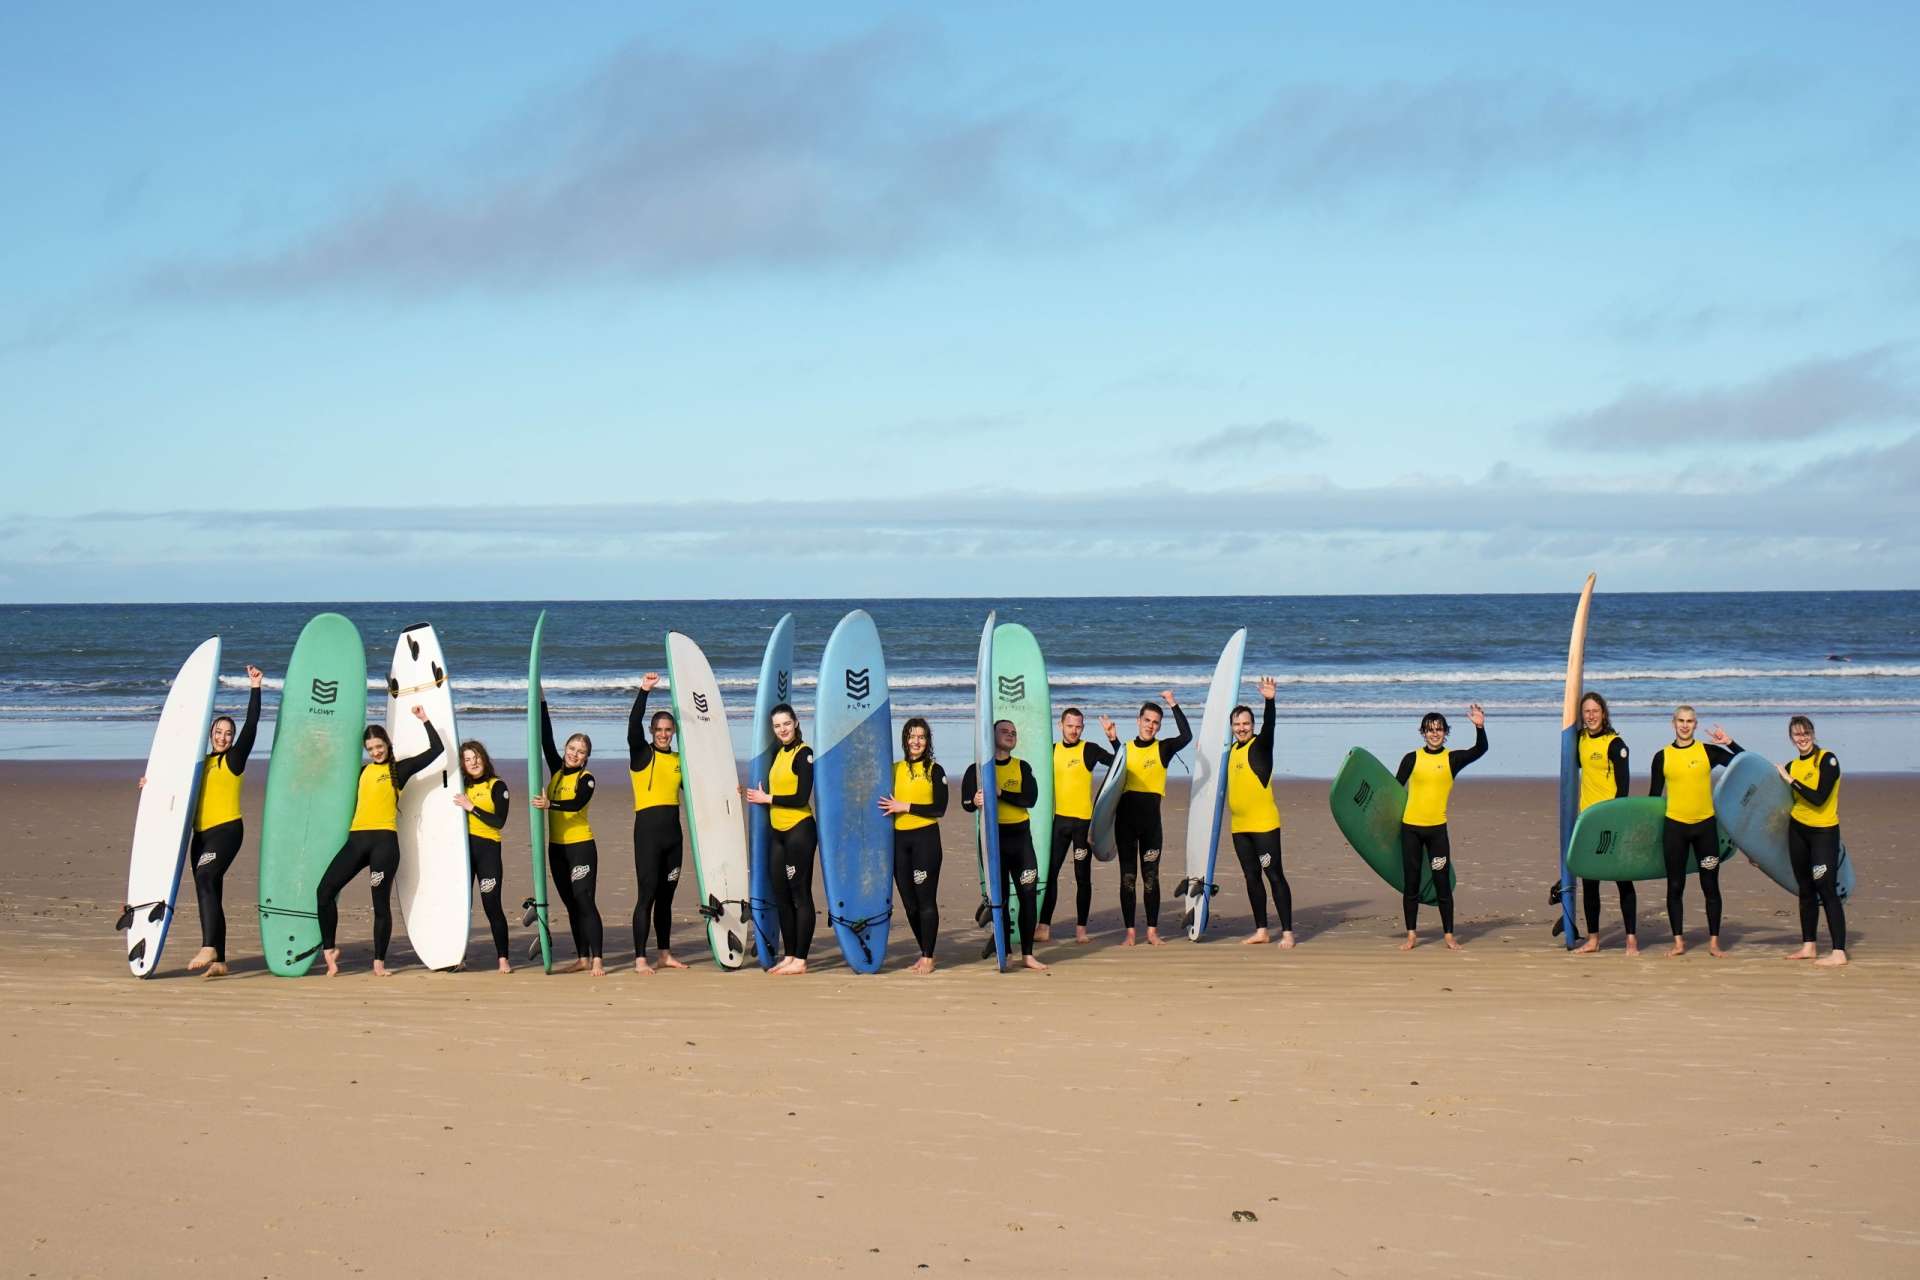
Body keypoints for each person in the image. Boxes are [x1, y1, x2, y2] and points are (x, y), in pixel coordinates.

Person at [146, 663, 264, 977]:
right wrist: (150, 784)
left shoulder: (234, 760)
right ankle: (220, 961)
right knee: (209, 889)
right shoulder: (199, 765)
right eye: (218, 732)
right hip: (200, 836)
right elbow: (174, 786)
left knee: (205, 877)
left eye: (228, 734)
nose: (223, 737)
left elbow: (252, 725)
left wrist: (255, 687)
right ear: (210, 734)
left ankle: (209, 945)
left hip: (227, 830)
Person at [315, 706, 443, 977]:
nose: (375, 752)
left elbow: (436, 750)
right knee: (324, 891)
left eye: (379, 746)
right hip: (356, 841)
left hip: (384, 845)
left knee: (380, 904)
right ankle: (330, 950)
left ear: (387, 744)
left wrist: (424, 719)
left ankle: (379, 962)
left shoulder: (399, 769)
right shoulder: (361, 772)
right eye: (370, 748)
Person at [1648, 706, 1741, 958]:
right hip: (1675, 828)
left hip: (1705, 829)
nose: (1685, 725)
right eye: (1681, 720)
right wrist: (1650, 835)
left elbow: (1745, 763)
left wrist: (1729, 743)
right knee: (1675, 886)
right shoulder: (1662, 757)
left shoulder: (1708, 752)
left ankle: (1714, 943)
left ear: (1696, 725)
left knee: (1710, 886)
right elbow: (1653, 798)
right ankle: (1678, 942)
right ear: (1673, 723)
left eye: (1689, 721)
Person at [1393, 705, 1488, 951]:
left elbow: (1480, 749)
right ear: (1423, 733)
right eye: (1430, 729)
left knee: (1442, 883)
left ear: (1445, 733)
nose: (1434, 733)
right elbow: (1393, 790)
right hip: (1411, 830)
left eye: (1439, 729)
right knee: (1411, 883)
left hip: (1437, 833)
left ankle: (1448, 935)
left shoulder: (1452, 759)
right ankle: (1411, 936)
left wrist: (1480, 727)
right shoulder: (1411, 758)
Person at [1104, 691, 1192, 946]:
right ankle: (1130, 933)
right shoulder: (1124, 749)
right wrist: (1113, 739)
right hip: (1125, 825)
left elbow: (1186, 736)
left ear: (1159, 726)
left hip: (1151, 826)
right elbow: (1115, 778)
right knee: (1128, 878)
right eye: (1147, 720)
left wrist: (1173, 703)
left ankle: (1152, 932)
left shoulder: (1163, 749)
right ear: (1138, 720)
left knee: (1151, 878)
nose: (1151, 726)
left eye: (1155, 722)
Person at [962, 719, 1047, 971]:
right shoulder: (977, 770)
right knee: (1000, 898)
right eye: (1004, 731)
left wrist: (1001, 793)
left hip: (1020, 840)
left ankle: (1028, 954)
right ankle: (1006, 952)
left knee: (1028, 896)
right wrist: (975, 800)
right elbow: (966, 804)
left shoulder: (1022, 766)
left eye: (1013, 732)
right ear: (992, 736)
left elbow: (1030, 799)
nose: (1010, 734)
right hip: (993, 839)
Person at [741, 703, 816, 975]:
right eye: (777, 726)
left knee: (800, 895)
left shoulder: (804, 753)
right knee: (781, 896)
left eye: (786, 723)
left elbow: (801, 797)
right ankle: (790, 954)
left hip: (799, 830)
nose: (782, 729)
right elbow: (768, 789)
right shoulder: (777, 754)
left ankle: (801, 960)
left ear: (796, 723)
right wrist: (751, 793)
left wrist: (767, 798)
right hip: (778, 833)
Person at [532, 701, 604, 976]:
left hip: (580, 847)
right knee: (571, 905)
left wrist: (550, 805)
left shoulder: (587, 779)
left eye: (580, 751)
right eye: (572, 748)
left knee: (584, 900)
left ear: (586, 758)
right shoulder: (557, 771)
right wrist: (541, 702)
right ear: (565, 749)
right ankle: (582, 958)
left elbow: (576, 804)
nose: (574, 754)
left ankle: (597, 959)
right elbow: (545, 739)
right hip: (557, 849)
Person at [1227, 676, 1293, 947]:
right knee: (1251, 877)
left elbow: (1270, 726)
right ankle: (1262, 931)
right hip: (1239, 827)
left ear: (1252, 725)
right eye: (1237, 724)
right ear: (1231, 727)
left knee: (1274, 875)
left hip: (1264, 825)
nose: (1241, 728)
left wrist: (1270, 701)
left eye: (1245, 724)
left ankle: (1287, 932)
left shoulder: (1261, 747)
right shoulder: (1232, 750)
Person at [878, 717, 949, 973]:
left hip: (925, 840)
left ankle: (928, 956)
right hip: (899, 842)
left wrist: (904, 806)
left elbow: (939, 808)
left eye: (921, 737)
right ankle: (924, 950)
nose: (916, 741)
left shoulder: (935, 770)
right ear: (905, 740)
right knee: (909, 904)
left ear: (927, 741)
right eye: (911, 736)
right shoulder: (893, 769)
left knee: (925, 900)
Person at [627, 674, 687, 975]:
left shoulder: (679, 760)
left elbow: (698, 792)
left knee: (667, 898)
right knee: (647, 895)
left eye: (668, 729)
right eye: (659, 729)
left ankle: (664, 954)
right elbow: (632, 726)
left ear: (674, 732)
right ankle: (640, 958)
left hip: (674, 837)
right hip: (647, 835)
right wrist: (644, 691)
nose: (663, 734)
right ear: (652, 731)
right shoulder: (642, 754)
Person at [1040, 707, 1114, 944]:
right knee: (1050, 874)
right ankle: (1043, 927)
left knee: (1082, 877)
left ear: (1083, 728)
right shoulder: (1050, 750)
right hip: (1059, 823)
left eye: (1078, 727)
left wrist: (1112, 738)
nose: (1074, 731)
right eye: (1070, 726)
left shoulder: (1089, 749)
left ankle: (1081, 929)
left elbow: (1118, 763)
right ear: (1060, 725)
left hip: (1083, 824)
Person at [1778, 715, 1847, 967]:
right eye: (1797, 734)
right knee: (1805, 889)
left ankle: (1838, 952)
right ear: (1791, 738)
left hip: (1823, 833)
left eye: (1806, 733)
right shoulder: (1792, 765)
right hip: (1798, 831)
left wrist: (1790, 780)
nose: (1802, 738)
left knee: (1826, 888)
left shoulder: (1827, 759)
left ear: (1813, 733)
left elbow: (1819, 798)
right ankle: (1809, 946)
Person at [1571, 692, 1635, 955]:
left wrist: (1615, 820)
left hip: (1610, 821)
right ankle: (1593, 940)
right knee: (1590, 883)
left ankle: (1631, 940)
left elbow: (1624, 788)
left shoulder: (1615, 744)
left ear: (1604, 713)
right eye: (1586, 711)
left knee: (1622, 880)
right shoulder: (1580, 739)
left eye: (1595, 711)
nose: (1591, 716)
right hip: (1587, 821)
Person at [452, 739, 512, 973]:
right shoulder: (460, 786)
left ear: (484, 759)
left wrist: (471, 807)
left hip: (488, 852)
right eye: (468, 759)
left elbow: (499, 821)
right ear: (463, 764)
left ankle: (503, 959)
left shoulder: (497, 785)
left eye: (476, 757)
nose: (473, 762)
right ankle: (458, 956)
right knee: (461, 906)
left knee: (491, 905)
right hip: (463, 854)